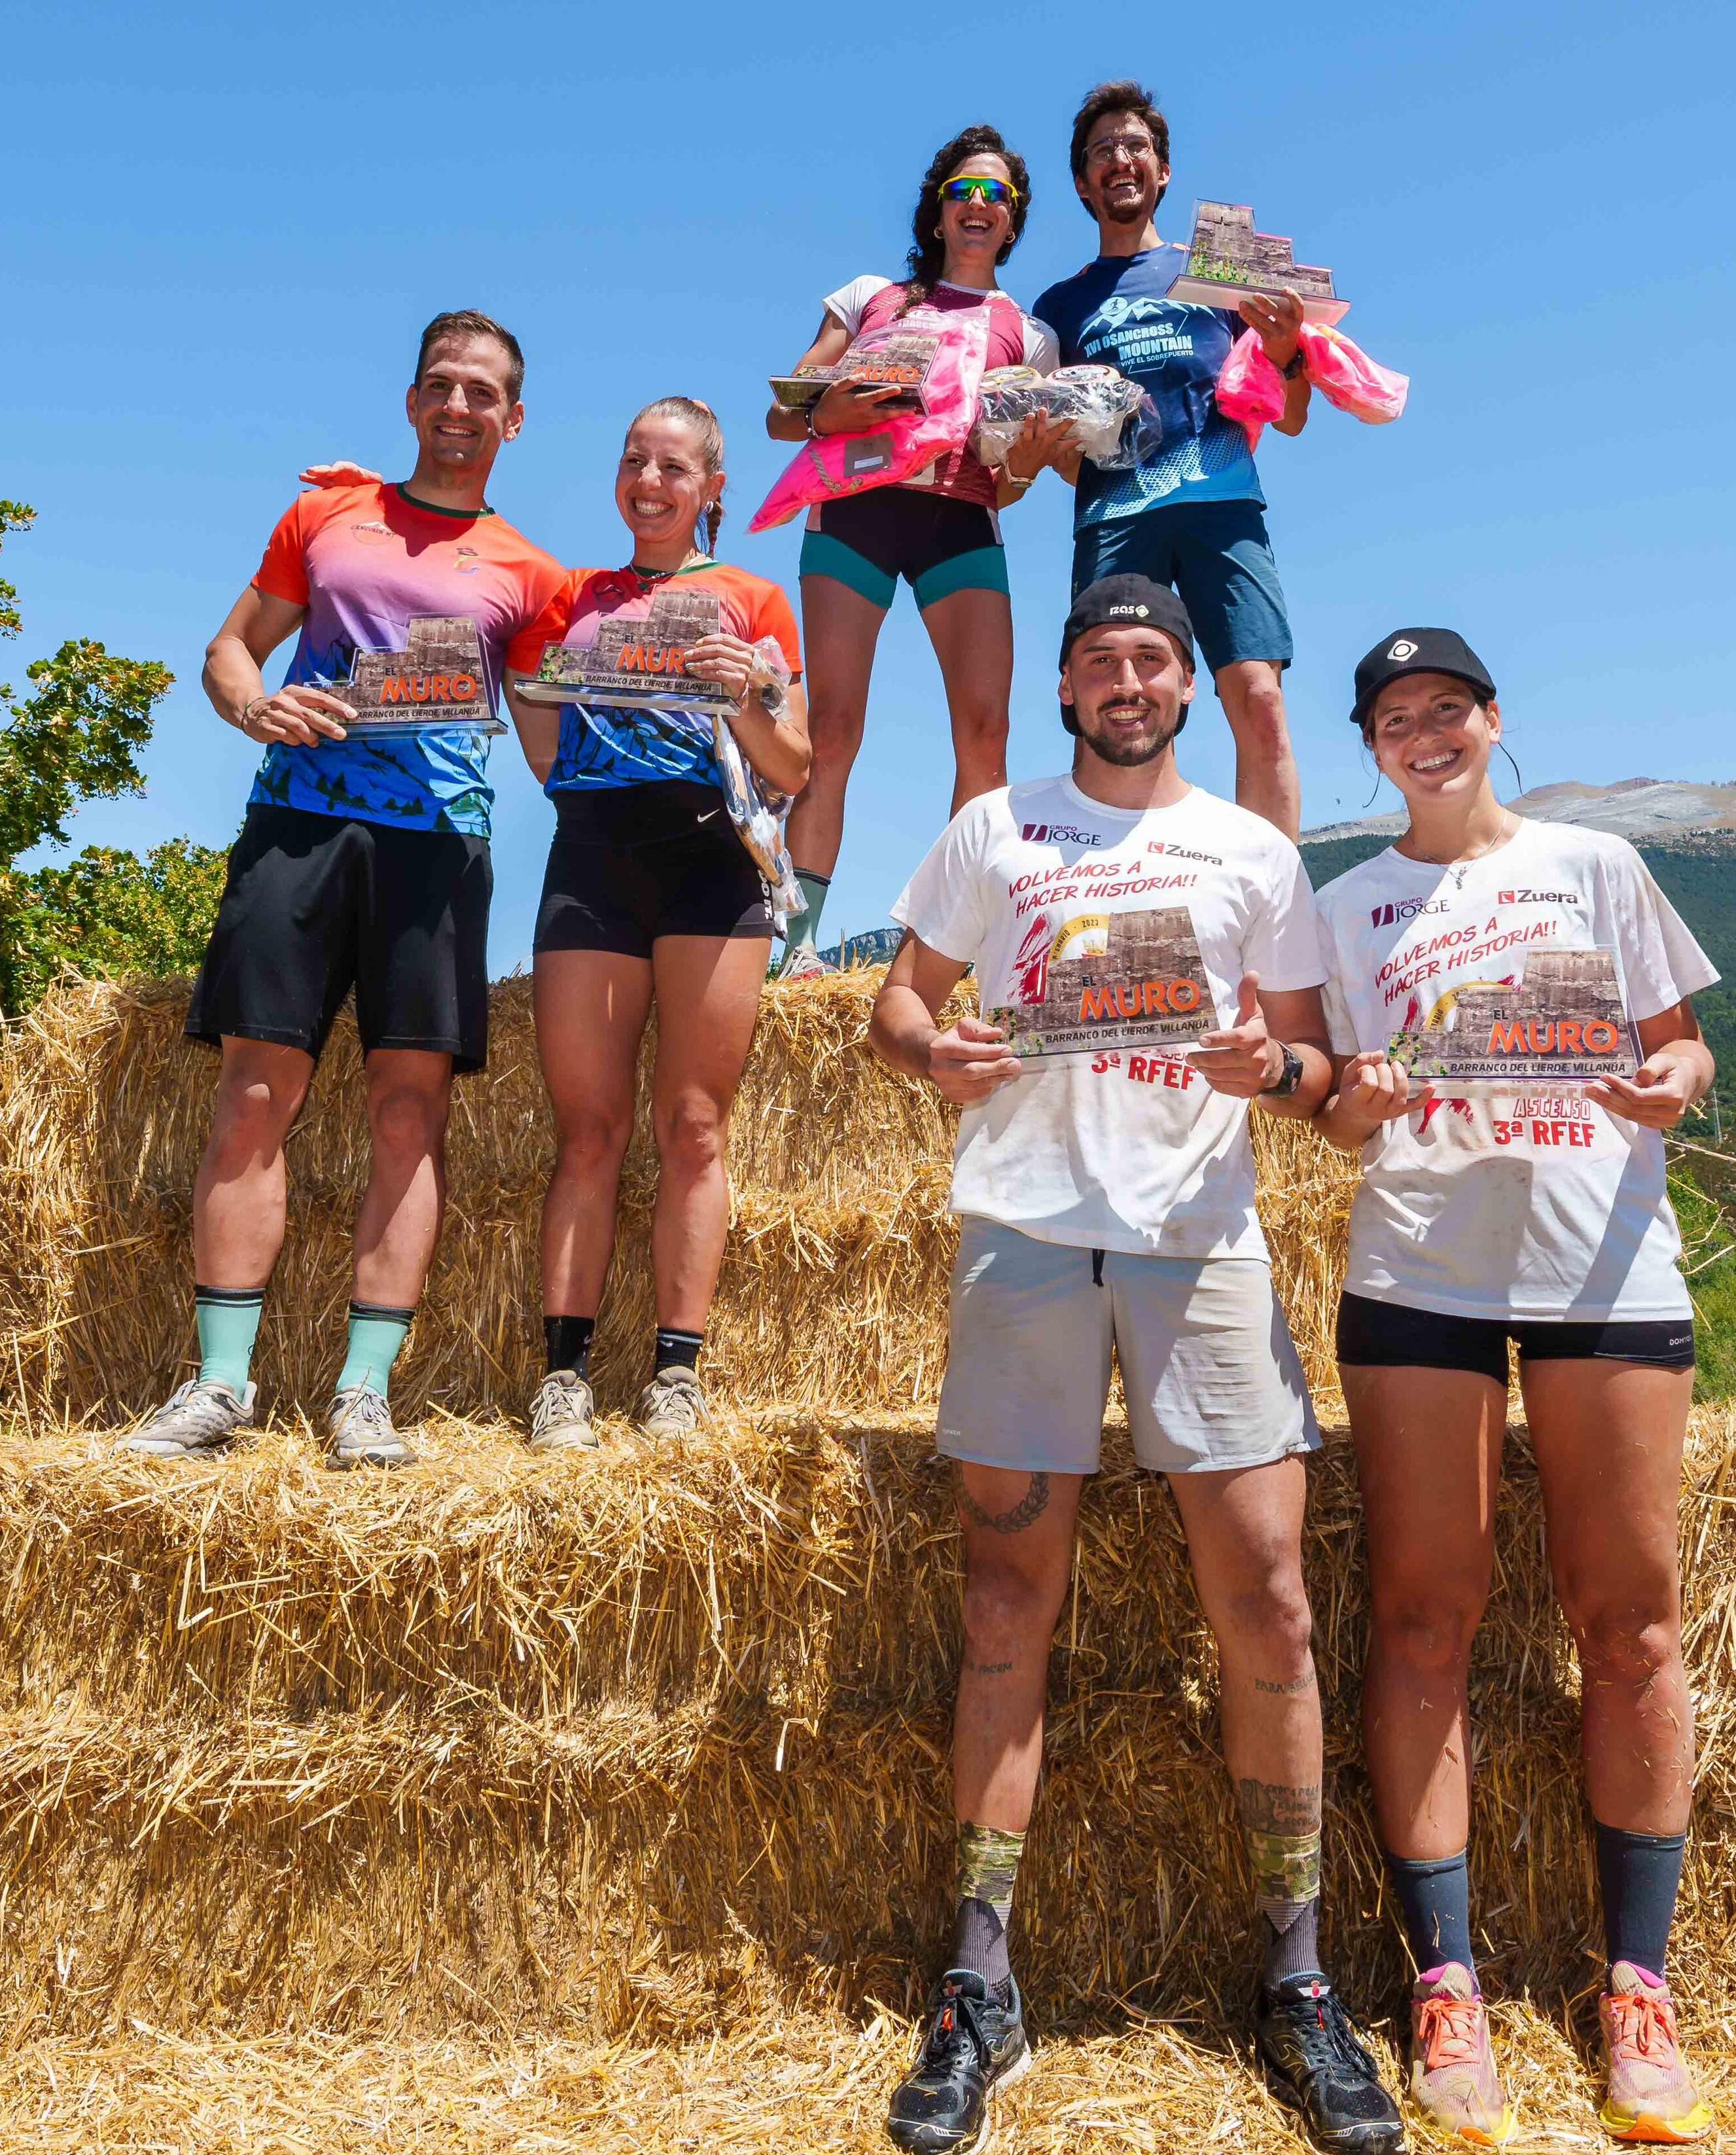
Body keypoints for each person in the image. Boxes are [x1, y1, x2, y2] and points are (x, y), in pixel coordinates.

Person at [865, 575, 1401, 2155]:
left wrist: (1275, 1066)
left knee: (1271, 1604)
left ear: (1181, 686)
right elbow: (900, 1006)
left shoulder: (1251, 850)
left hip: (1198, 1241)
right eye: (1099, 657)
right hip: (1023, 1234)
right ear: (1066, 686)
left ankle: (1297, 1979)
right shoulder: (993, 830)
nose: (1125, 677)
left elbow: (1322, 1078)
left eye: (1151, 657)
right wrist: (928, 1052)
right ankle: (977, 1980)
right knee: (1002, 1604)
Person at [1309, 628, 1722, 2148]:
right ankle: (1447, 1983)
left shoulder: (1597, 865)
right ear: (1373, 746)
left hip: (1604, 1266)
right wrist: (1353, 1096)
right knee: (1426, 1614)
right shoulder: (1343, 902)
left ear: (1493, 721)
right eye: (1394, 719)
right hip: (1420, 1271)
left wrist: (1664, 1084)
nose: (1424, 734)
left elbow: (1683, 1055)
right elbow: (1336, 1112)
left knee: (1630, 1620)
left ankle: (1637, 1988)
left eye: (1446, 710)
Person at [124, 310, 564, 1470]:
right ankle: (220, 1382)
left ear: (514, 420)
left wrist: (708, 741)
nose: (460, 408)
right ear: (414, 400)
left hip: (437, 852)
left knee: (409, 1118)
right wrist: (250, 702)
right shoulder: (326, 513)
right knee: (255, 1097)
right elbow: (229, 647)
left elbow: (553, 747)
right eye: (442, 386)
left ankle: (363, 1395)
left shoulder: (531, 572)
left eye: (484, 393)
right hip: (300, 825)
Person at [503, 397, 808, 1449]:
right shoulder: (570, 597)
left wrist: (749, 697)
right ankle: (563, 1379)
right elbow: (533, 716)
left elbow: (795, 765)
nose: (650, 480)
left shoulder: (755, 597)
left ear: (712, 488)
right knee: (588, 1129)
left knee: (693, 1124)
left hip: (708, 866)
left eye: (675, 467)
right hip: (592, 857)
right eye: (634, 459)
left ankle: (676, 1375)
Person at [766, 123, 1069, 976]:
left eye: (995, 197)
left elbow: (1011, 480)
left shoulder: (1031, 335)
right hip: (854, 515)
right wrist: (831, 414)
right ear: (937, 213)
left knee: (986, 734)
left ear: (1012, 223)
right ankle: (796, 946)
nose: (977, 206)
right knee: (834, 732)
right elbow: (784, 412)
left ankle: (957, 947)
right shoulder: (870, 295)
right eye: (960, 193)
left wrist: (1030, 464)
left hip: (962, 521)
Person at [1026, 81, 1320, 840]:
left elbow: (1288, 417)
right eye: (1102, 151)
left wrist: (1285, 350)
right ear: (1082, 181)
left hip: (1224, 506)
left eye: (1135, 147)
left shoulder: (1221, 274)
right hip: (1113, 518)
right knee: (1111, 709)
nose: (1120, 160)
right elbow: (1058, 453)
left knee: (1256, 696)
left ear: (1161, 171)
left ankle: (1274, 919)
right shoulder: (1056, 308)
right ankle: (1116, 891)